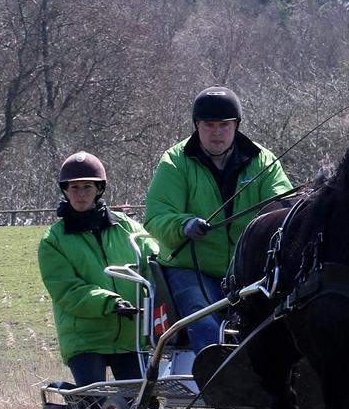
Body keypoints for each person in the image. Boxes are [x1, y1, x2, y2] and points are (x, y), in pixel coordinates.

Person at [144, 86, 293, 354]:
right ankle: (217, 386)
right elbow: (156, 217)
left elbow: (283, 206)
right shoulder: (175, 163)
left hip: (250, 270)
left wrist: (281, 211)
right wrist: (184, 225)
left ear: (236, 125)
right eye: (208, 125)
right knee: (204, 322)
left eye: (224, 125)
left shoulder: (263, 161)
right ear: (196, 126)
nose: (216, 132)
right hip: (190, 268)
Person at [38, 151, 156, 387]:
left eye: (87, 188)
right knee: (93, 407)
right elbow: (68, 290)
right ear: (65, 190)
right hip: (85, 338)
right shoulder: (53, 241)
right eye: (74, 188)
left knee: (142, 406)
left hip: (130, 337)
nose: (81, 195)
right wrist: (110, 302)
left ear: (99, 190)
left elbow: (155, 260)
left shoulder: (129, 228)